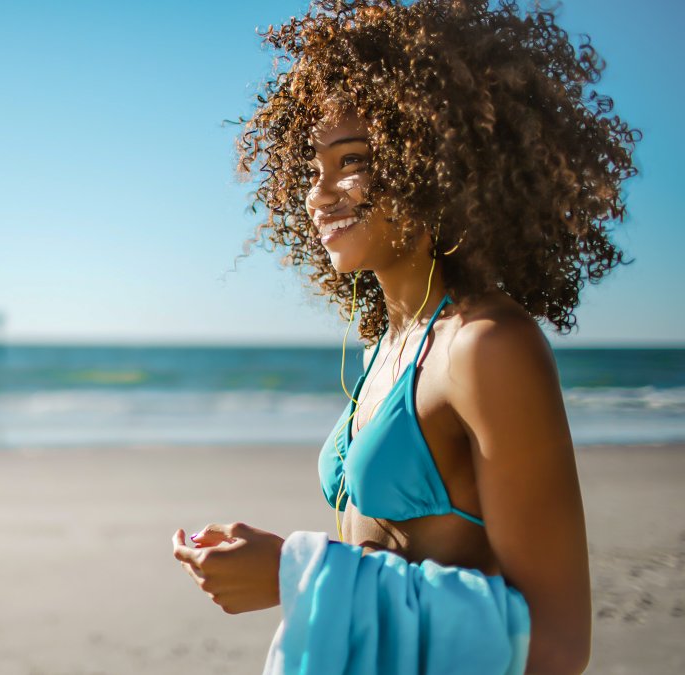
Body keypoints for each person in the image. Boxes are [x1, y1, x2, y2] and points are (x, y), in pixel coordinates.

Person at [169, 1, 638, 673]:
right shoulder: (384, 344)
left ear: (433, 158)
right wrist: (285, 572)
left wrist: (293, 574)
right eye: (311, 167)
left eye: (351, 159)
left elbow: (559, 646)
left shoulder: (485, 345)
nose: (319, 194)